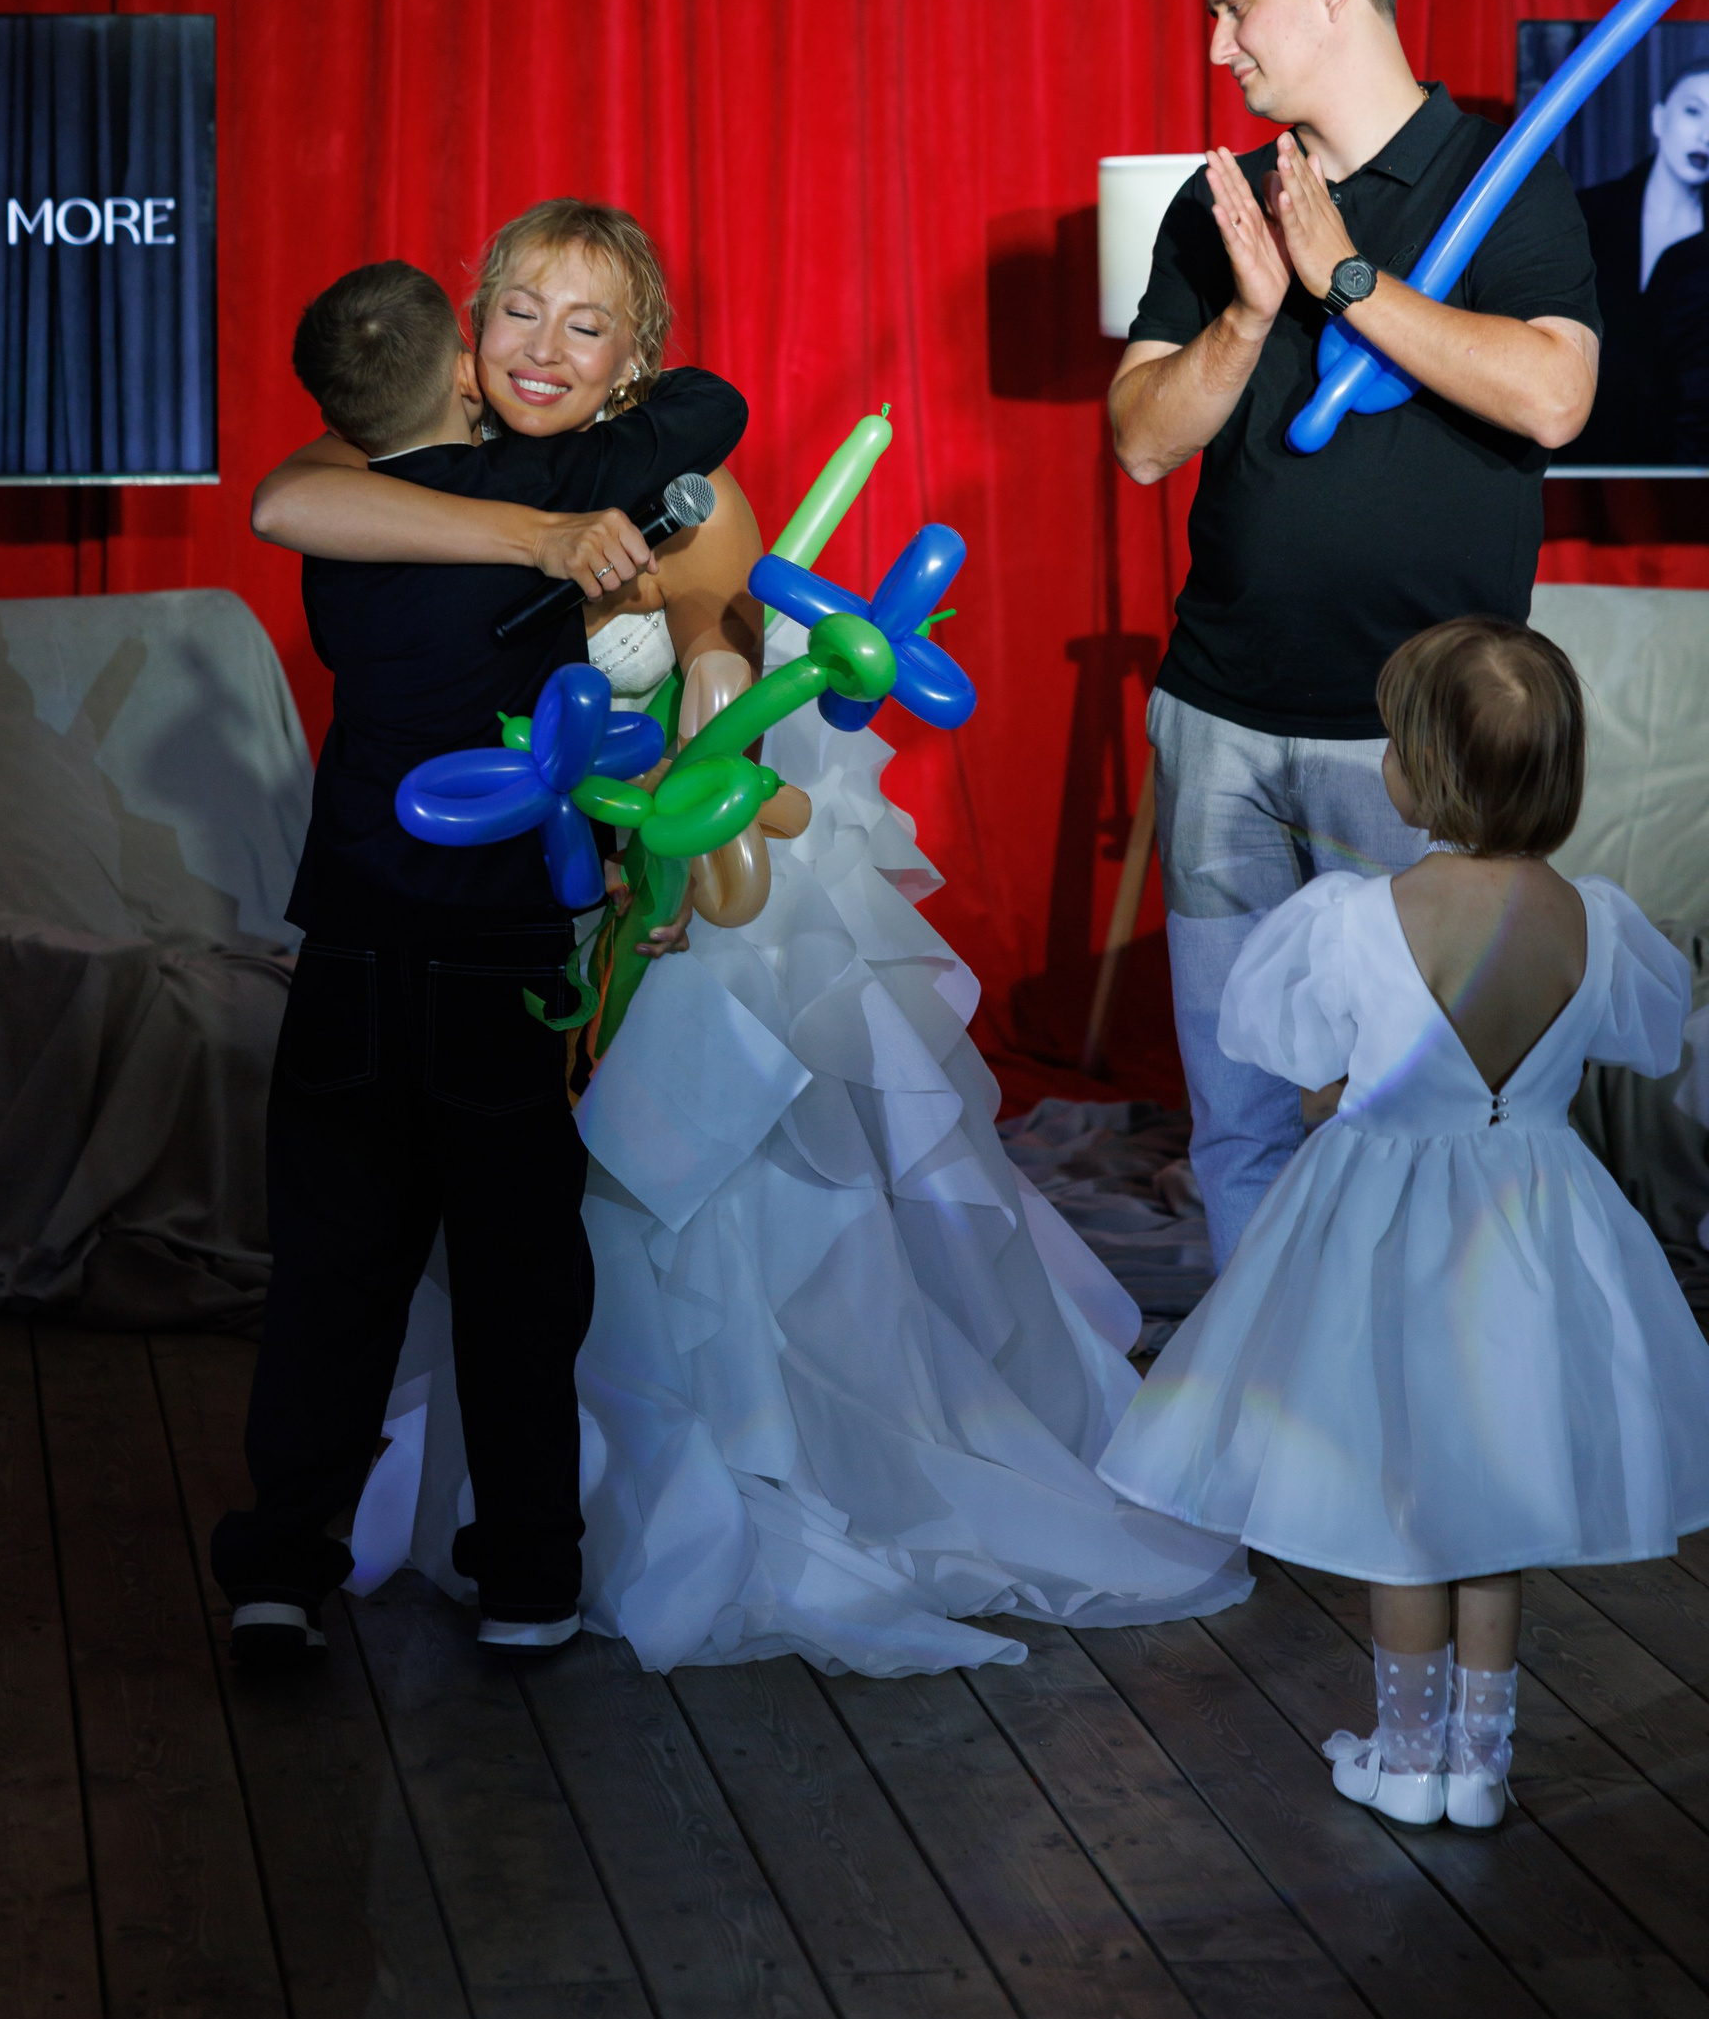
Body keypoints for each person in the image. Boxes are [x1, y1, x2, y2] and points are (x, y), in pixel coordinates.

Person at [261, 197, 1252, 1676]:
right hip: (428, 926)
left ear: (634, 355)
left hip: (600, 931)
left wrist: (675, 855)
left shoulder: (670, 490)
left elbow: (716, 689)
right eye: (520, 311)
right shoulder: (402, 460)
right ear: (468, 335)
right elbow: (286, 498)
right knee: (400, 1254)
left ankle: (563, 1549)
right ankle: (373, 1554)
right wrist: (541, 537)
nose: (543, 348)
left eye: (586, 325)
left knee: (558, 1263)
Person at [211, 246, 748, 1665]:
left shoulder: (350, 519)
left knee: (331, 1278)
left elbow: (291, 496)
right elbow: (713, 405)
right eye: (512, 318)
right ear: (464, 364)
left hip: (349, 946)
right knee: (520, 1282)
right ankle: (528, 1580)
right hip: (497, 953)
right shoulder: (553, 485)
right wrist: (555, 513)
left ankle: (280, 1573)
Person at [1098, 616, 1709, 1830]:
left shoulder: (1357, 917)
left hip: (1389, 1234)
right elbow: (1637, 1039)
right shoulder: (1591, 920)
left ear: (1419, 772)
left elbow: (1298, 1063)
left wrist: (1350, 1093)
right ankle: (1481, 1765)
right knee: (1492, 1506)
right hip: (1534, 1228)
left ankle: (1408, 1753)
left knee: (1403, 1508)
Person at [1111, 0, 1602, 1265]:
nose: (1219, 46)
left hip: (1414, 745)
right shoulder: (1220, 203)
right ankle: (1265, 1371)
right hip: (1218, 717)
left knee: (1408, 1108)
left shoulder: (1504, 175)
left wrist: (1347, 282)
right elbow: (1141, 441)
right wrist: (1249, 314)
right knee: (1239, 1109)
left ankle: (1403, 1368)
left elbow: (1554, 397)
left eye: (1237, 7)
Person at [1575, 56, 1709, 465]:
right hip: (1574, 462)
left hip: (1686, 470)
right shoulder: (1586, 214)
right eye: (1693, 111)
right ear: (1659, 119)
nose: (1706, 135)